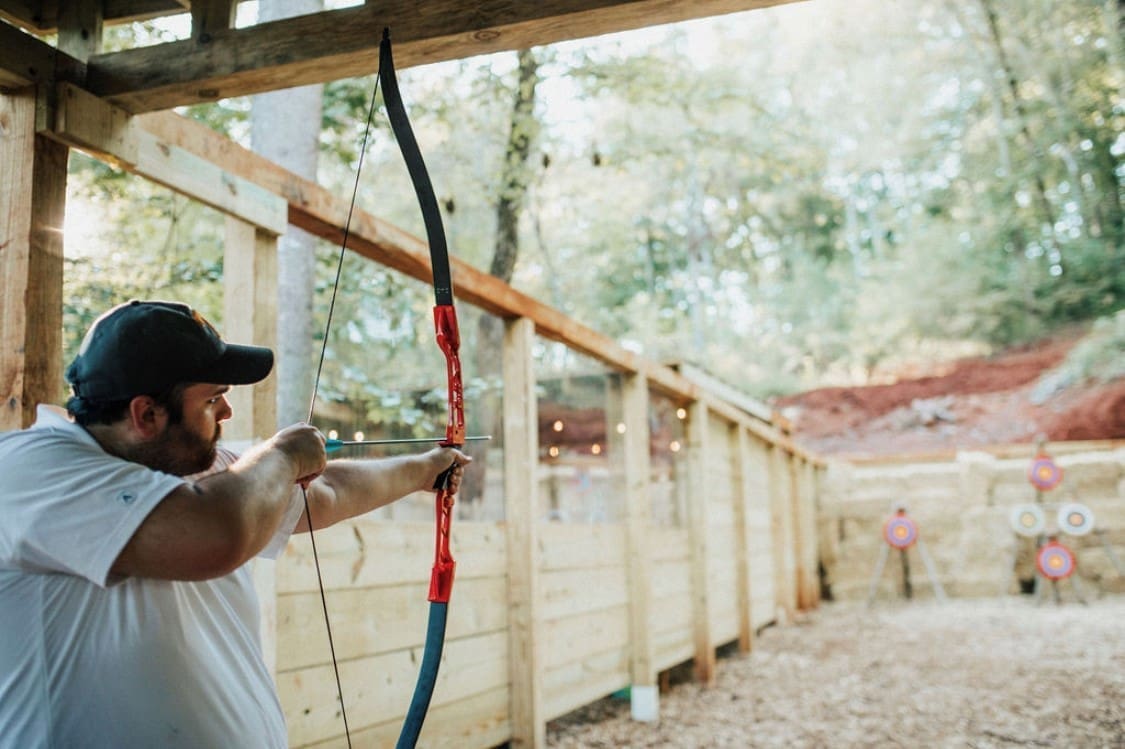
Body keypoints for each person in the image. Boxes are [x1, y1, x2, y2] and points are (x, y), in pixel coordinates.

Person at [0, 300, 470, 748]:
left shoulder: (182, 464)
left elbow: (323, 492)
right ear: (147, 414)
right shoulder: (29, 469)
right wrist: (282, 455)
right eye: (212, 400)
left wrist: (425, 470)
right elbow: (216, 533)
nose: (227, 413)